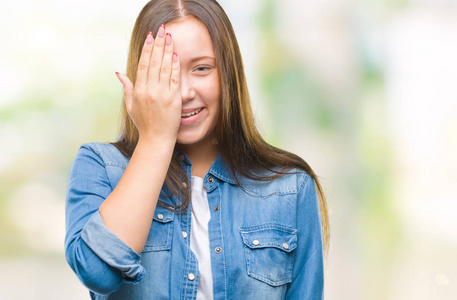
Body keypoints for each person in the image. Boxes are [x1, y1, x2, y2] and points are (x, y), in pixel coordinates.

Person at [65, 0, 329, 299]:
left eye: (202, 68)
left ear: (227, 72)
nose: (185, 93)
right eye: (168, 73)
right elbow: (97, 273)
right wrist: (155, 139)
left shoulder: (289, 187)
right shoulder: (100, 166)